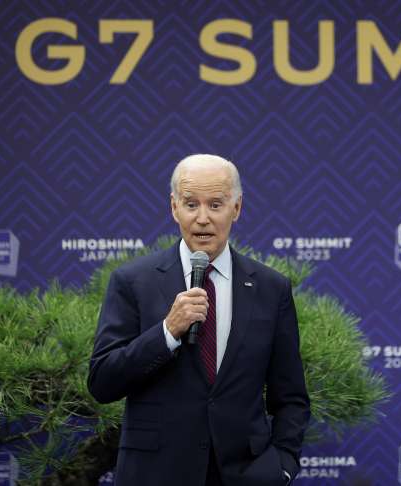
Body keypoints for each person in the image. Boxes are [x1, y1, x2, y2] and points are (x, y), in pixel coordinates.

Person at [87, 154, 310, 485]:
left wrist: (282, 466)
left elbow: (291, 396)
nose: (202, 219)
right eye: (191, 205)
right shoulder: (133, 281)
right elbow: (102, 382)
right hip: (156, 475)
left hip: (245, 476)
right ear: (174, 208)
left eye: (215, 205)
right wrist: (167, 331)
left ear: (236, 208)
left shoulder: (270, 287)